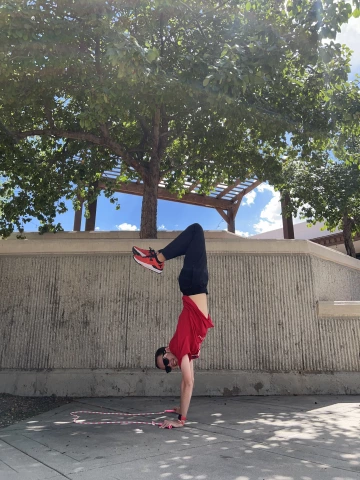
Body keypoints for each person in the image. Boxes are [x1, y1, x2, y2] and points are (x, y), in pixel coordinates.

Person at [132, 223, 214, 429]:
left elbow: (188, 382)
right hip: (193, 284)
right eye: (167, 368)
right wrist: (181, 408)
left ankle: (157, 259)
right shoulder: (188, 353)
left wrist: (180, 422)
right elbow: (187, 381)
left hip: (194, 283)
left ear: (168, 350)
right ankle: (157, 259)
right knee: (192, 238)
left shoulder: (179, 348)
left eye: (165, 361)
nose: (170, 365)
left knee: (196, 230)